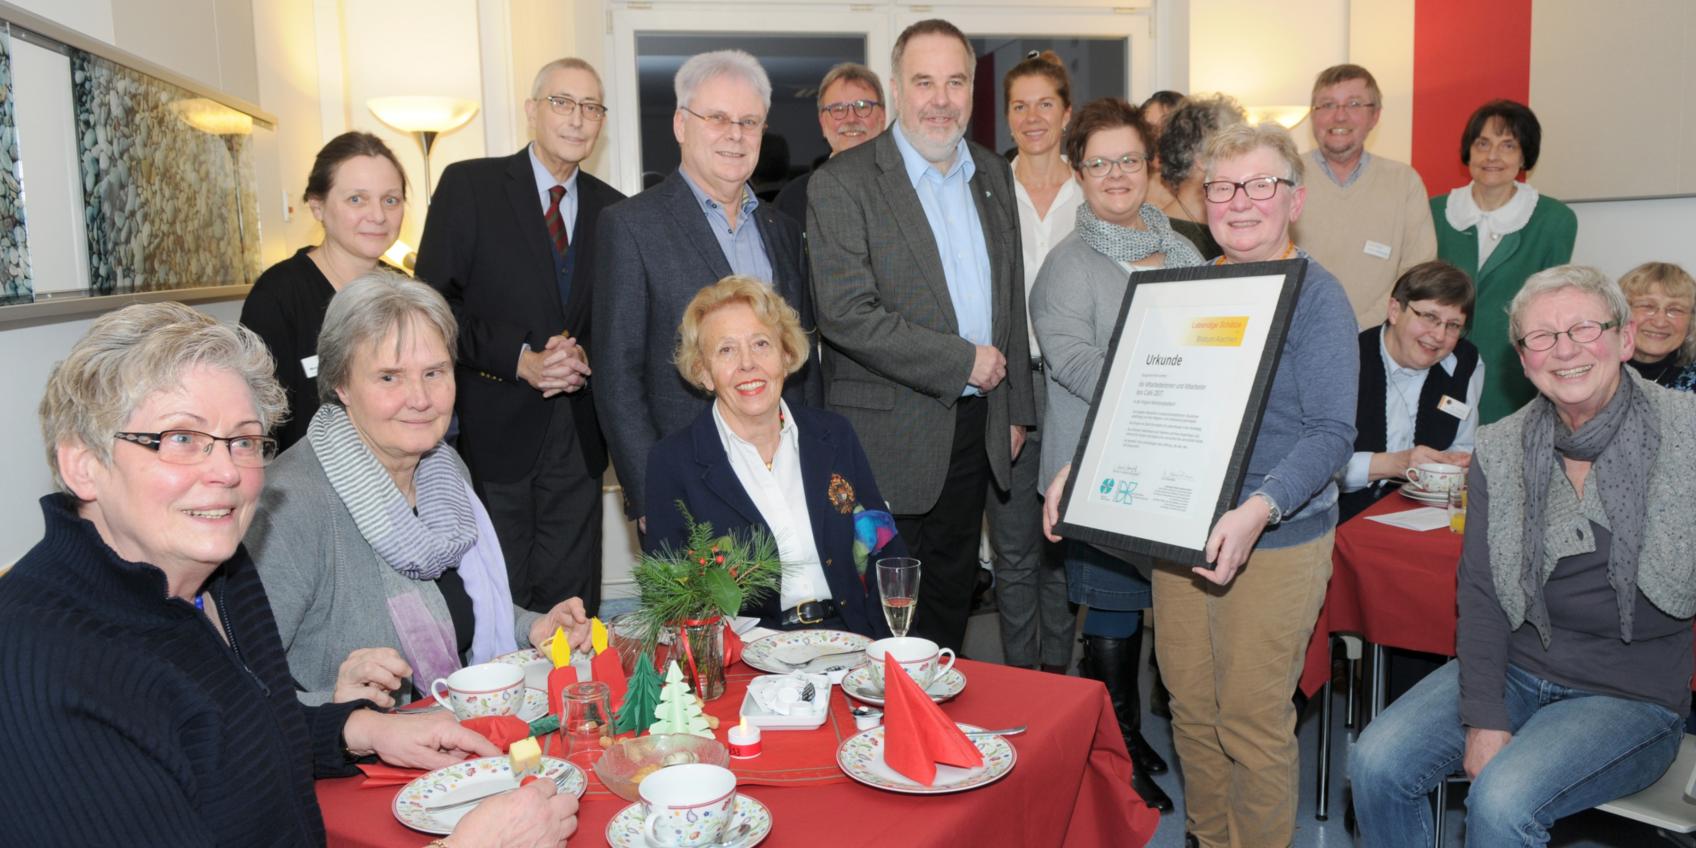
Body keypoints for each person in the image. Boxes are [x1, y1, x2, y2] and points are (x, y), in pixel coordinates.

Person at [0, 302, 577, 847]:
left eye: (244, 441)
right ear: (83, 464)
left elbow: (235, 740)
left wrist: (356, 730)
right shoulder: (52, 665)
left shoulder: (219, 578)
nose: (227, 471)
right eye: (181, 439)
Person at [1049, 122, 1358, 846]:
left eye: (1260, 185)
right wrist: (1082, 465)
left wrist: (1258, 509)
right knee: (1189, 707)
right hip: (1178, 529)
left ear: (1294, 200)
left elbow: (1331, 435)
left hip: (1273, 537)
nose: (1239, 201)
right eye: (1222, 187)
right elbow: (1139, 400)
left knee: (1251, 720)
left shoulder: (1318, 297)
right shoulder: (1186, 289)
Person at [1350, 265, 1694, 847]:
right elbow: (1481, 594)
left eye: (1584, 329)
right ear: (1524, 358)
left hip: (1629, 695)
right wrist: (1485, 718)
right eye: (1542, 337)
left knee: (1502, 802)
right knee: (1376, 763)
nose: (1565, 351)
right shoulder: (1503, 446)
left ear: (1625, 339)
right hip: (1515, 665)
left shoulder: (1684, 432)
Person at [247, 272, 591, 708]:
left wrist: (533, 627)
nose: (421, 398)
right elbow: (240, 688)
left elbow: (453, 608)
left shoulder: (444, 471)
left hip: (451, 734)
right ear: (341, 384)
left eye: (435, 372)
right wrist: (334, 708)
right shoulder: (289, 504)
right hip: (348, 763)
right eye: (389, 378)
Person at [808, 19, 1036, 654]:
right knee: (876, 624)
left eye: (955, 81)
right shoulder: (844, 182)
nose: (941, 98)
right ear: (897, 89)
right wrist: (964, 361)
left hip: (974, 431)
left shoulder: (993, 173)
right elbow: (848, 313)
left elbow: (1008, 298)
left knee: (946, 613)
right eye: (924, 81)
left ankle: (934, 735)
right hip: (883, 442)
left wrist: (1016, 408)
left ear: (971, 89)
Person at [1029, 97, 1206, 813]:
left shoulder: (1189, 247)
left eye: (1128, 159)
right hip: (1095, 472)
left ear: (1149, 166)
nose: (1116, 174)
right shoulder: (1067, 266)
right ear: (1078, 172)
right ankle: (1115, 748)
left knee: (1155, 607)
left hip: (1178, 466)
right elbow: (1075, 362)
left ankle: (1130, 735)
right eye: (1098, 162)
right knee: (1112, 610)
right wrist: (1174, 373)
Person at [415, 58, 622, 617]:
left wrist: (585, 356)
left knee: (573, 606)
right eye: (562, 102)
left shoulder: (616, 210)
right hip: (493, 432)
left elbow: (621, 319)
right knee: (496, 603)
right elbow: (432, 306)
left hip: (578, 438)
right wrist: (519, 359)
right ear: (532, 110)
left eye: (591, 107)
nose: (577, 119)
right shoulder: (470, 185)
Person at [595, 49, 821, 535]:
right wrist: (649, 491)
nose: (735, 134)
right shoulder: (631, 226)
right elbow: (617, 378)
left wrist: (815, 461)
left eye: (749, 121)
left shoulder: (783, 229)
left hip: (784, 475)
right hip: (687, 483)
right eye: (717, 117)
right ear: (680, 124)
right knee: (705, 615)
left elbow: (800, 358)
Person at [644, 276, 905, 636]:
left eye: (761, 344)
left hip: (850, 639)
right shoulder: (673, 462)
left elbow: (886, 554)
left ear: (786, 355)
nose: (747, 364)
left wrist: (882, 648)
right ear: (703, 373)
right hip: (748, 659)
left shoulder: (834, 435)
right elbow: (669, 601)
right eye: (726, 350)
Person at [994, 49, 1079, 678]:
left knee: (1065, 548)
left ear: (1067, 112)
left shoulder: (1094, 190)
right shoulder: (985, 189)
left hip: (1079, 390)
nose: (1032, 116)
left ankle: (1061, 686)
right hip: (1011, 383)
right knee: (1016, 550)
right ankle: (1022, 683)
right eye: (1019, 105)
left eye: (1044, 102)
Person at [242, 132, 407, 451]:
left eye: (391, 200)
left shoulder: (406, 292)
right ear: (317, 207)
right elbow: (257, 417)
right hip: (308, 487)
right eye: (356, 199)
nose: (377, 215)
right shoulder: (278, 295)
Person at [1433, 99, 1577, 424]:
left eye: (1507, 145)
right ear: (1468, 151)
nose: (1492, 156)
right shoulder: (1435, 212)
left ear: (1525, 155)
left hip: (1512, 374)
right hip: (1437, 362)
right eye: (1482, 143)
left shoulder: (1555, 220)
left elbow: (1552, 307)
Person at [1291, 64, 1437, 329]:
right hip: (1298, 336)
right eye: (1327, 105)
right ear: (1313, 115)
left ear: (1375, 116)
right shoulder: (1285, 177)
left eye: (1354, 104)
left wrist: (1361, 327)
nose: (1340, 116)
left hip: (1379, 339)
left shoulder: (1404, 182)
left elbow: (1417, 271)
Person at [1339, 260, 1485, 522]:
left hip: (1423, 516)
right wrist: (1395, 463)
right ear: (1395, 310)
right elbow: (1318, 470)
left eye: (1453, 325)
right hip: (1343, 519)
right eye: (1430, 317)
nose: (1439, 336)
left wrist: (1457, 466)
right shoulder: (1347, 359)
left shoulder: (1466, 364)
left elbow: (1462, 447)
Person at [773, 62, 886, 227]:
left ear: (882, 117)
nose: (851, 118)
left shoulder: (907, 191)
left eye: (862, 106)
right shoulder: (793, 200)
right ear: (822, 122)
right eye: (838, 109)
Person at [1156, 94, 1245, 260]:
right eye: (1233, 148)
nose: (1244, 160)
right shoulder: (1160, 236)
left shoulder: (1233, 227)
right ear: (1203, 160)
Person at [1621, 262, 1696, 390]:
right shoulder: (1592, 366)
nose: (1660, 322)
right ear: (1621, 311)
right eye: (1647, 306)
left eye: (1675, 310)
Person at [1140, 89, 1184, 210]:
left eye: (1167, 130)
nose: (1157, 137)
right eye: (1150, 129)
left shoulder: (1202, 194)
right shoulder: (1128, 191)